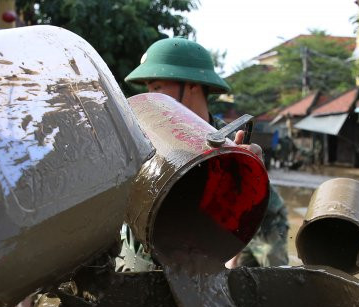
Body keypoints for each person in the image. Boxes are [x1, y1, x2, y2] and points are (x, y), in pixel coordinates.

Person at [119, 37, 290, 271]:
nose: (151, 95)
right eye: (148, 88)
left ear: (192, 86)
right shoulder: (138, 141)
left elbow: (271, 259)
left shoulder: (232, 151)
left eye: (157, 87)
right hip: (141, 276)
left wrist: (250, 176)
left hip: (203, 272)